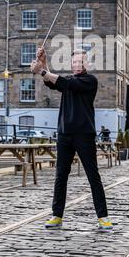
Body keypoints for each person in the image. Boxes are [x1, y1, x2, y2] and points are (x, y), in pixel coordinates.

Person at [30, 47, 113, 232]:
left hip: (84, 135)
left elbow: (63, 83)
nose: (77, 64)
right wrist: (43, 62)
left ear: (87, 64)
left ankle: (103, 217)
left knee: (93, 177)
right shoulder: (68, 80)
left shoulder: (90, 81)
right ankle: (56, 215)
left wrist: (41, 69)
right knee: (61, 176)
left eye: (81, 62)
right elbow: (51, 82)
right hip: (64, 134)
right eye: (74, 62)